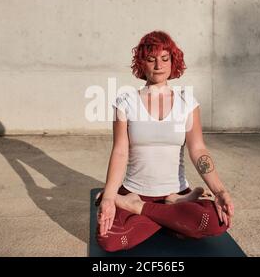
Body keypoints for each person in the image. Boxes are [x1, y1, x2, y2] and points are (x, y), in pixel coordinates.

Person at [95, 31, 234, 252]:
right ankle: (173, 217)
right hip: (134, 189)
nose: (158, 65)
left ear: (173, 62)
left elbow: (198, 149)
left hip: (176, 191)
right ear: (143, 64)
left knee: (217, 222)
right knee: (111, 240)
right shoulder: (125, 102)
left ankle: (142, 207)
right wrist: (111, 197)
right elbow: (120, 151)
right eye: (151, 59)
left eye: (165, 58)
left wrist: (219, 191)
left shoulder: (186, 101)